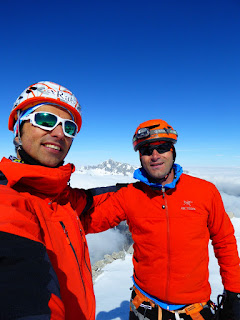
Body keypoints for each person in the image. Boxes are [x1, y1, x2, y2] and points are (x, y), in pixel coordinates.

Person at [85, 119, 240, 320]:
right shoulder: (129, 195)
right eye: (147, 150)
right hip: (145, 306)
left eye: (163, 147)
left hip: (193, 309)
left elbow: (224, 242)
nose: (155, 155)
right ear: (140, 156)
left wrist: (234, 293)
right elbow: (90, 223)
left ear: (173, 152)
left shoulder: (205, 192)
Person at [0, 81, 96, 320]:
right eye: (44, 120)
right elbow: (21, 284)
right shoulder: (6, 198)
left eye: (69, 127)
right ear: (18, 128)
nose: (58, 133)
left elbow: (111, 202)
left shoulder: (65, 200)